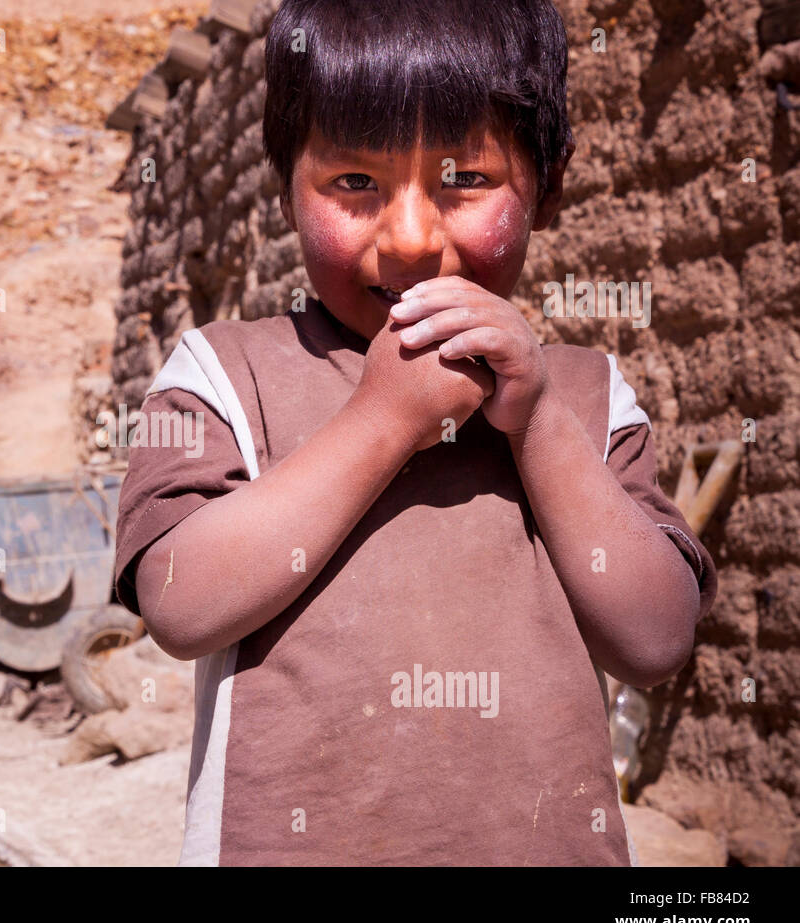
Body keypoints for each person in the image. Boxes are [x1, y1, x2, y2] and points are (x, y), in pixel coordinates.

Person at [112, 0, 718, 865]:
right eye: (353, 183)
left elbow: (656, 640)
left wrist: (539, 423)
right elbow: (181, 605)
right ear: (285, 183)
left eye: (464, 180)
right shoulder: (225, 374)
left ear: (550, 184)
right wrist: (383, 419)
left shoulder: (584, 394)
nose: (409, 240)